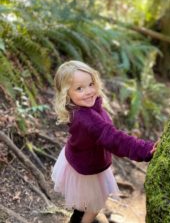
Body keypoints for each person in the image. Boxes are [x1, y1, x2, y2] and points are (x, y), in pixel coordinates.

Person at [51, 60, 159, 223]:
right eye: (79, 88)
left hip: (79, 157)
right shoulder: (87, 119)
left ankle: (79, 217)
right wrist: (146, 149)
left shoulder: (83, 107)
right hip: (86, 167)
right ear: (67, 94)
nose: (88, 91)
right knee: (94, 206)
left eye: (90, 84)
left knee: (85, 203)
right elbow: (115, 139)